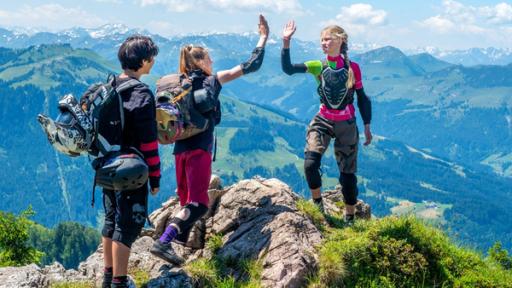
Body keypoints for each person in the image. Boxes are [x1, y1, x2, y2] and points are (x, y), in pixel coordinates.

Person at [150, 14, 269, 265]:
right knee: (200, 204)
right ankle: (164, 242)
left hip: (179, 150)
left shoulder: (176, 84)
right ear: (201, 61)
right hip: (199, 152)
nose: (213, 61)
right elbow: (251, 65)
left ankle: (176, 246)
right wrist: (263, 37)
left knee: (187, 201)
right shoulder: (212, 81)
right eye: (209, 58)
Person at [281, 21, 372, 223]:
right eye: (321, 39)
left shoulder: (353, 68)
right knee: (310, 163)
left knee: (347, 176)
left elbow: (362, 97)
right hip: (322, 119)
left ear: (341, 40)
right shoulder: (318, 66)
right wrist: (286, 42)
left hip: (346, 123)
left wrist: (367, 126)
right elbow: (288, 69)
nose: (324, 43)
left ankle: (349, 216)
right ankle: (318, 206)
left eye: (328, 38)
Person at [101, 35, 161, 288]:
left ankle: (107, 276)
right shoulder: (142, 93)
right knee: (127, 226)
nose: (154, 61)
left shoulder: (110, 85)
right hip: (131, 170)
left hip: (107, 165)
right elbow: (149, 143)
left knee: (111, 220)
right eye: (152, 57)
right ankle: (119, 282)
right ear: (145, 61)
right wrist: (155, 177)